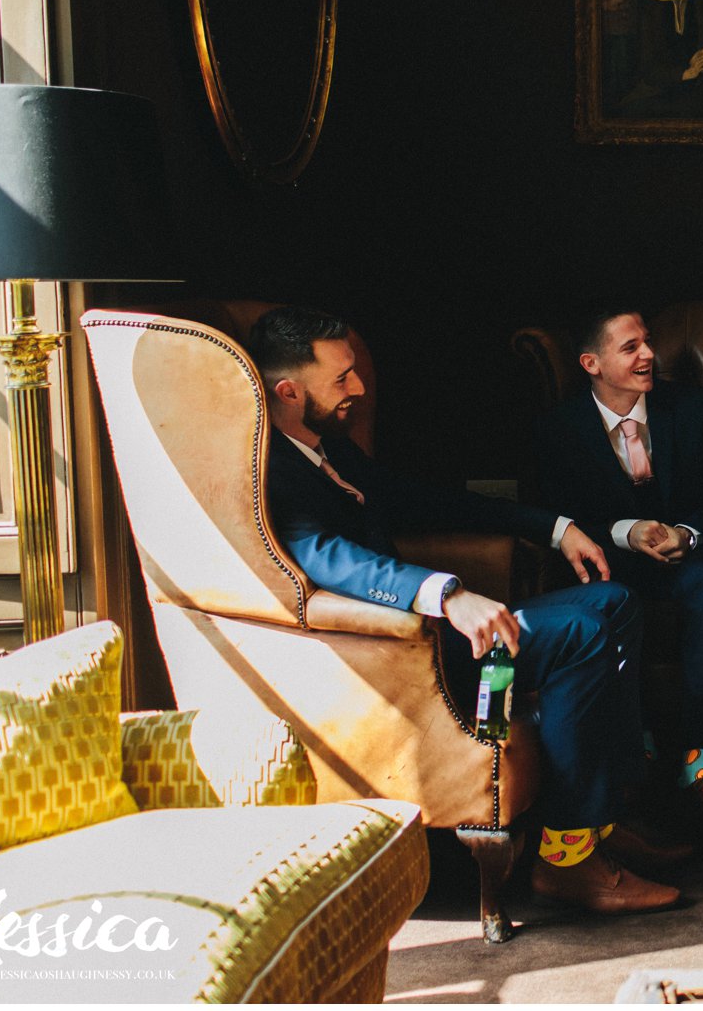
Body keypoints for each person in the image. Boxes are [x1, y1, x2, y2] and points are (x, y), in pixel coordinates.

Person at [247, 305, 681, 915]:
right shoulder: (271, 469)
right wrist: (449, 594)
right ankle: (567, 861)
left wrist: (557, 528)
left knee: (613, 602)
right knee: (581, 630)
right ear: (289, 391)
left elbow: (429, 501)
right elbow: (330, 558)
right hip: (392, 655)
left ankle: (597, 824)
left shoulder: (331, 451)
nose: (359, 389)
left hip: (421, 635)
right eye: (341, 379)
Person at [537, 305, 703, 840]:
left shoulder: (695, 409)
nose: (649, 355)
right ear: (591, 363)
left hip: (690, 561)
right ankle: (633, 770)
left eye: (648, 343)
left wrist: (689, 534)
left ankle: (700, 768)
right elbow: (550, 511)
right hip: (610, 564)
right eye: (631, 347)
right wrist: (624, 531)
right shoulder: (559, 428)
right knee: (606, 604)